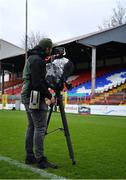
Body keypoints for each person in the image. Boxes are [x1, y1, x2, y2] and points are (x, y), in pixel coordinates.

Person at [21, 38, 58, 169]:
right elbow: (37, 83)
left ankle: (29, 156)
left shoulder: (32, 58)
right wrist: (49, 96)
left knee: (32, 126)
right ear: (47, 48)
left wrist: (48, 88)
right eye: (50, 49)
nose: (51, 51)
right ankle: (40, 159)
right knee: (40, 127)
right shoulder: (38, 60)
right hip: (33, 96)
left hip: (26, 94)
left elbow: (37, 80)